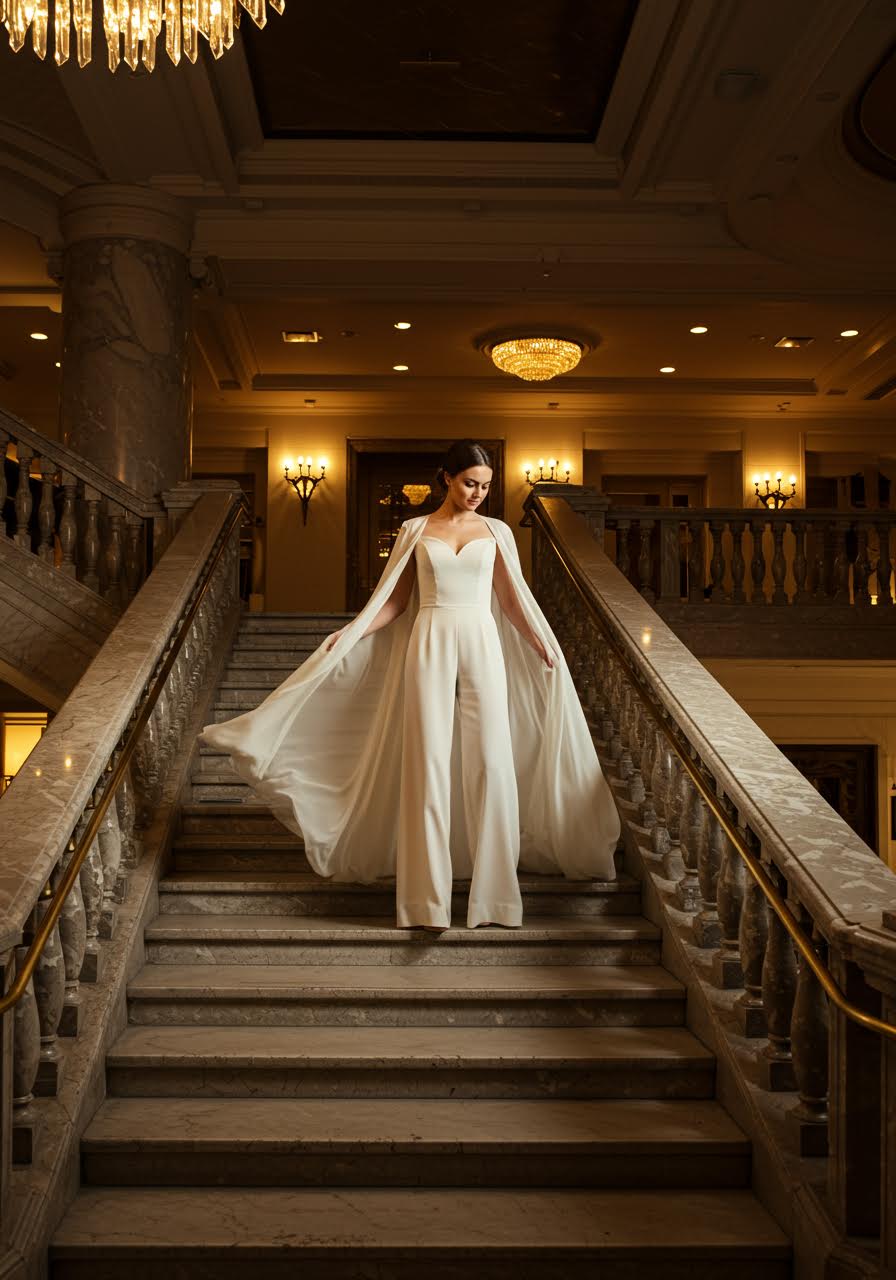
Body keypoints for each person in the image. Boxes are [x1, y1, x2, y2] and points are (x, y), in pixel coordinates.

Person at [199, 439, 620, 931]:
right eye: (469, 483)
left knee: (491, 763)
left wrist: (539, 642)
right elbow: (396, 601)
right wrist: (353, 631)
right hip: (430, 643)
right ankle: (426, 903)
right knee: (428, 764)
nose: (477, 494)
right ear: (446, 477)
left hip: (482, 645)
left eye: (485, 486)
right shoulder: (414, 530)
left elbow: (509, 600)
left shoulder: (498, 532)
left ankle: (496, 901)